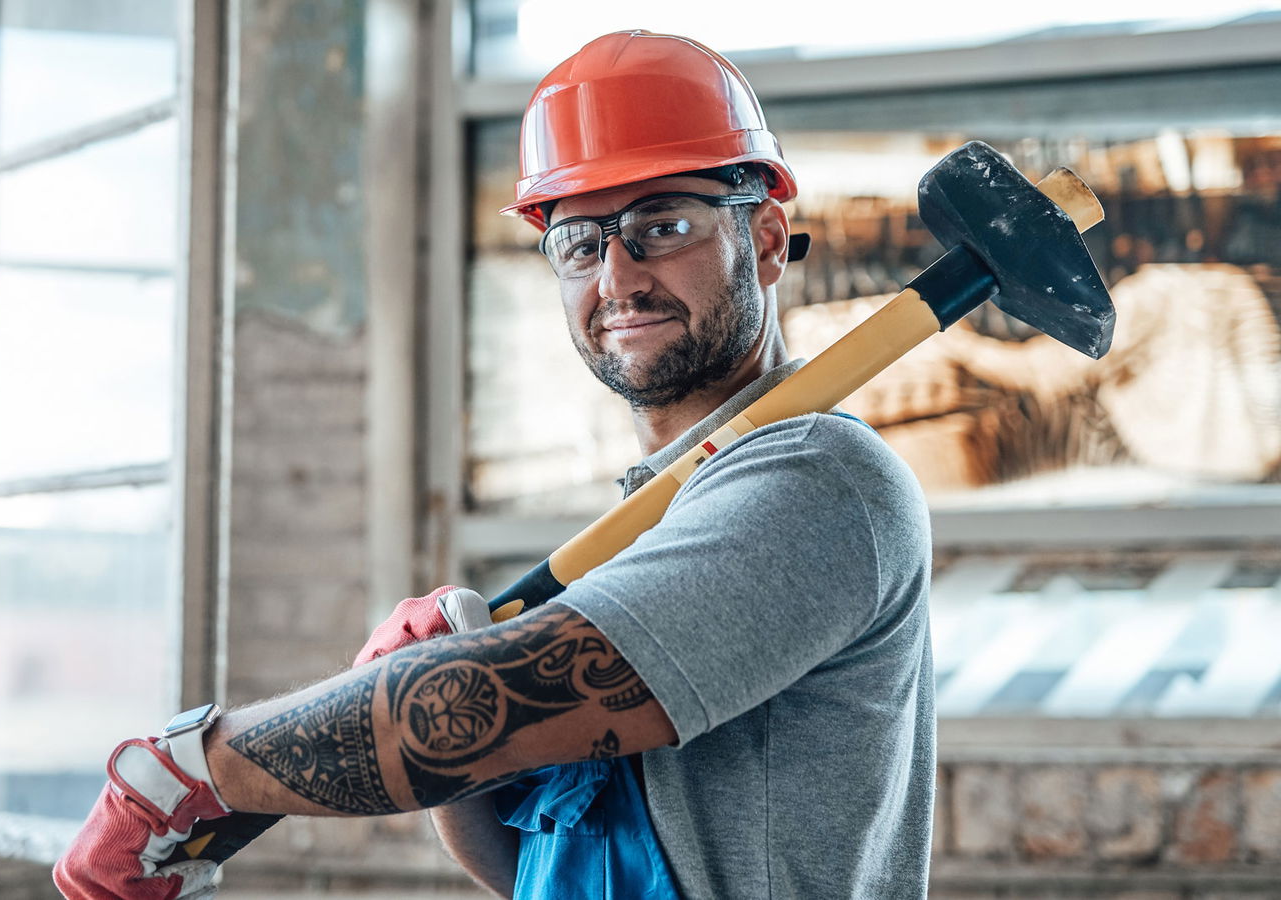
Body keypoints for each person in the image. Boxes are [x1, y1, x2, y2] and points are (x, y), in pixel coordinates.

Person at [53, 30, 934, 900]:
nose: (618, 277)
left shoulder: (815, 481)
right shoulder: (665, 514)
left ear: (770, 241)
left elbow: (493, 710)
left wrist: (183, 773)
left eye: (661, 225)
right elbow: (545, 868)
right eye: (581, 243)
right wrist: (454, 725)